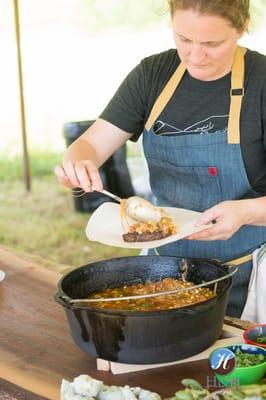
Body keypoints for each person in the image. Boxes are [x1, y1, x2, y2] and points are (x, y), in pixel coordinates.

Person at [55, 0, 266, 318]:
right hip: (163, 273)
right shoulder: (153, 76)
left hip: (252, 274)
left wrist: (247, 211)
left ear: (242, 27)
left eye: (212, 44)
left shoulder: (261, 82)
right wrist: (79, 162)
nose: (196, 56)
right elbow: (89, 145)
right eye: (184, 39)